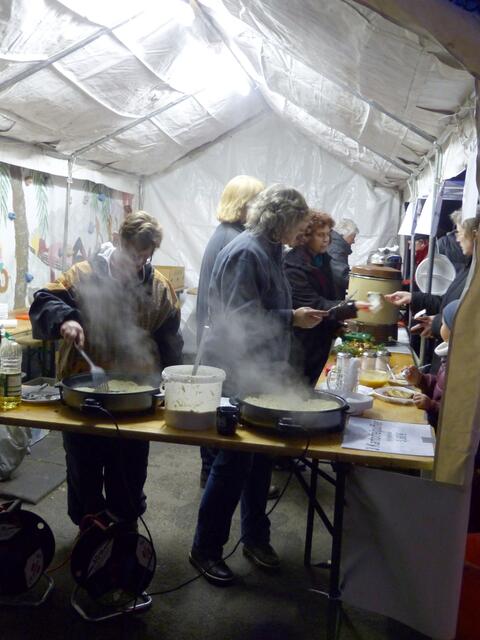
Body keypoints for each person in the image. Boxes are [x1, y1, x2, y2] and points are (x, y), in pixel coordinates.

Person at [189, 185, 326, 586]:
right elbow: (239, 318)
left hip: (261, 367)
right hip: (236, 369)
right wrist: (291, 317)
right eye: (299, 224)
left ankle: (254, 538)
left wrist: (290, 320)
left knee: (260, 459)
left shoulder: (270, 249)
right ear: (281, 220)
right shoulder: (247, 252)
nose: (302, 232)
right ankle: (205, 549)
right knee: (232, 463)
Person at [30, 211, 183, 528]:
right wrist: (66, 319)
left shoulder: (159, 287)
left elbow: (170, 341)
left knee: (128, 475)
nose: (137, 264)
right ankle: (90, 533)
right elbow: (44, 301)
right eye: (132, 254)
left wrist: (170, 386)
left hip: (135, 401)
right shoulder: (82, 275)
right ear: (118, 241)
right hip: (82, 396)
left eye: (145, 257)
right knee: (83, 472)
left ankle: (124, 534)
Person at [196, 175, 265, 489]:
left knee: (217, 406)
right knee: (221, 410)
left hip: (215, 338)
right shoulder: (233, 239)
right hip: (223, 343)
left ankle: (213, 474)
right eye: (257, 202)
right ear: (243, 204)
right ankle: (215, 478)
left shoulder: (226, 233)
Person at [285, 210, 370, 386]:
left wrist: (337, 326)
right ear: (306, 236)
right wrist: (353, 307)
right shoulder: (293, 266)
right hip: (301, 344)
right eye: (320, 235)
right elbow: (314, 305)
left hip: (319, 339)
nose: (326, 239)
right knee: (298, 389)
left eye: (327, 234)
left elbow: (330, 295)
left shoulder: (322, 259)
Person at [385, 210, 479, 340]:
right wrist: (412, 297)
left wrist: (437, 322)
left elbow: (469, 317)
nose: (457, 239)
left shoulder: (475, 272)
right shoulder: (470, 267)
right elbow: (447, 303)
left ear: (475, 235)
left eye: (459, 233)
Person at [403, 300, 459, 429]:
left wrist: (431, 405)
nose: (439, 327)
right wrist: (421, 379)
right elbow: (440, 386)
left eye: (443, 324)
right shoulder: (449, 356)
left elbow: (459, 413)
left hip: (444, 432)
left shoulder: (462, 366)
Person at [327, 217, 359, 298]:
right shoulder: (336, 249)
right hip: (332, 296)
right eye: (353, 237)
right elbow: (342, 277)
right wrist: (361, 283)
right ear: (345, 234)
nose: (353, 241)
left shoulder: (335, 245)